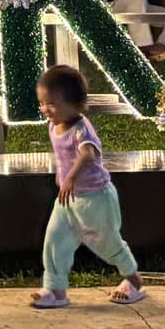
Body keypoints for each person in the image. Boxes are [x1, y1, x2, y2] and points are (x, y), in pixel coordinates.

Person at [32, 63, 145, 309]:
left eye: (51, 103)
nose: (45, 109)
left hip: (95, 198)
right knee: (54, 241)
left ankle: (134, 281)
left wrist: (70, 176)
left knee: (108, 244)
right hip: (67, 200)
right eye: (42, 103)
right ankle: (55, 290)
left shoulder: (81, 128)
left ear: (74, 103)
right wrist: (61, 176)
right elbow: (63, 155)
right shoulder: (54, 125)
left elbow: (88, 154)